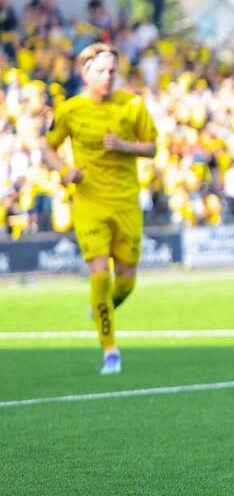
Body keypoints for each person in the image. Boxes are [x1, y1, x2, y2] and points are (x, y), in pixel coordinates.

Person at [40, 43, 158, 374]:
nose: (107, 77)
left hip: (126, 201)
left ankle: (100, 308)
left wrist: (123, 146)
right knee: (100, 275)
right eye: (101, 71)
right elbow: (47, 147)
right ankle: (110, 351)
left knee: (126, 283)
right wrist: (65, 172)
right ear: (85, 74)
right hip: (90, 201)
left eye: (112, 71)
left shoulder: (132, 105)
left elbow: (152, 147)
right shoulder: (70, 110)